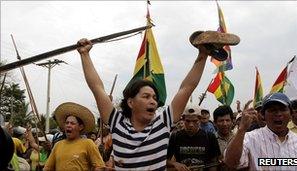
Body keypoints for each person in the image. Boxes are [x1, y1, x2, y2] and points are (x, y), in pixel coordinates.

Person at [76, 35, 211, 170]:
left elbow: (186, 88)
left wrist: (203, 54)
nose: (153, 101)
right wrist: (85, 54)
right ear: (130, 102)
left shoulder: (162, 124)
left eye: (154, 98)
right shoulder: (118, 124)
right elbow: (97, 88)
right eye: (146, 96)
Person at [224, 92, 297, 170]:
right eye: (272, 110)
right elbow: (231, 162)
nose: (278, 114)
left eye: (283, 109)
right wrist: (242, 129)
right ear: (263, 115)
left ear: (291, 115)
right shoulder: (249, 138)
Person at [43, 102, 105, 171]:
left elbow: (99, 166)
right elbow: (47, 168)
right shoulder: (58, 145)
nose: (68, 125)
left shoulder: (88, 143)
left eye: (72, 123)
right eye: (67, 123)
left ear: (80, 127)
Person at [167, 104, 221, 171]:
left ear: (200, 119)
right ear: (183, 119)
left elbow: (214, 162)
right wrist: (175, 164)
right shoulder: (175, 136)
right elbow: (166, 160)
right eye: (188, 121)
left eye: (195, 121)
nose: (191, 125)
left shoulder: (210, 136)